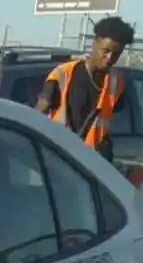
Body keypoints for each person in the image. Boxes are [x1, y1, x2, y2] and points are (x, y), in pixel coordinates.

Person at [35, 16, 135, 160]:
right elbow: (37, 115)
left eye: (116, 54)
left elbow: (108, 122)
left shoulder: (116, 82)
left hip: (93, 161)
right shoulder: (64, 73)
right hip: (59, 155)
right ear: (94, 44)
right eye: (105, 51)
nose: (110, 58)